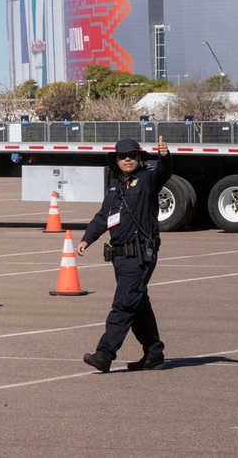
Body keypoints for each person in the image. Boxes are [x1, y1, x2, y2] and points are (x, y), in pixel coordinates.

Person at [76, 135, 171, 373]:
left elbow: (163, 173)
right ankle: (154, 354)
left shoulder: (148, 179)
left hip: (140, 256)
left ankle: (104, 354)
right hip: (119, 257)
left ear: (139, 157)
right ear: (116, 160)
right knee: (137, 305)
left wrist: (165, 157)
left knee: (124, 303)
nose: (127, 160)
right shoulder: (114, 186)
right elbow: (103, 217)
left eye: (132, 155)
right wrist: (87, 239)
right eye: (122, 156)